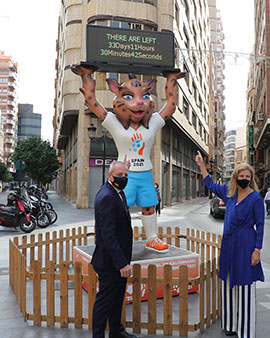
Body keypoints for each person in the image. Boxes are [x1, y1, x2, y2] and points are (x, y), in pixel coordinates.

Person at [71, 64, 185, 253]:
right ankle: (113, 238)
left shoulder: (153, 122)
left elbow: (170, 107)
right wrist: (86, 77)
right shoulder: (115, 123)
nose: (139, 103)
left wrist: (171, 80)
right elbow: (94, 104)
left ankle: (152, 238)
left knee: (149, 206)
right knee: (118, 209)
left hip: (146, 175)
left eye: (145, 96)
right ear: (116, 95)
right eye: (129, 97)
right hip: (125, 174)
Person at [195, 151, 264, 338]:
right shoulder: (229, 194)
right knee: (227, 281)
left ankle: (245, 330)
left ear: (251, 179)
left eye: (247, 177)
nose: (244, 179)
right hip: (228, 244)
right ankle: (230, 325)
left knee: (244, 284)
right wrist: (201, 164)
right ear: (235, 177)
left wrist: (257, 250)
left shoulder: (256, 198)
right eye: (241, 176)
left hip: (246, 244)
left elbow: (261, 225)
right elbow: (209, 183)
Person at [91, 160, 139, 338]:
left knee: (117, 299)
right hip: (110, 262)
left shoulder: (117, 192)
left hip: (117, 260)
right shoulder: (107, 197)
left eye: (126, 175)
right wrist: (121, 264)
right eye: (120, 175)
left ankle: (116, 331)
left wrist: (124, 166)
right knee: (104, 302)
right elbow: (108, 235)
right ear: (110, 176)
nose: (124, 178)